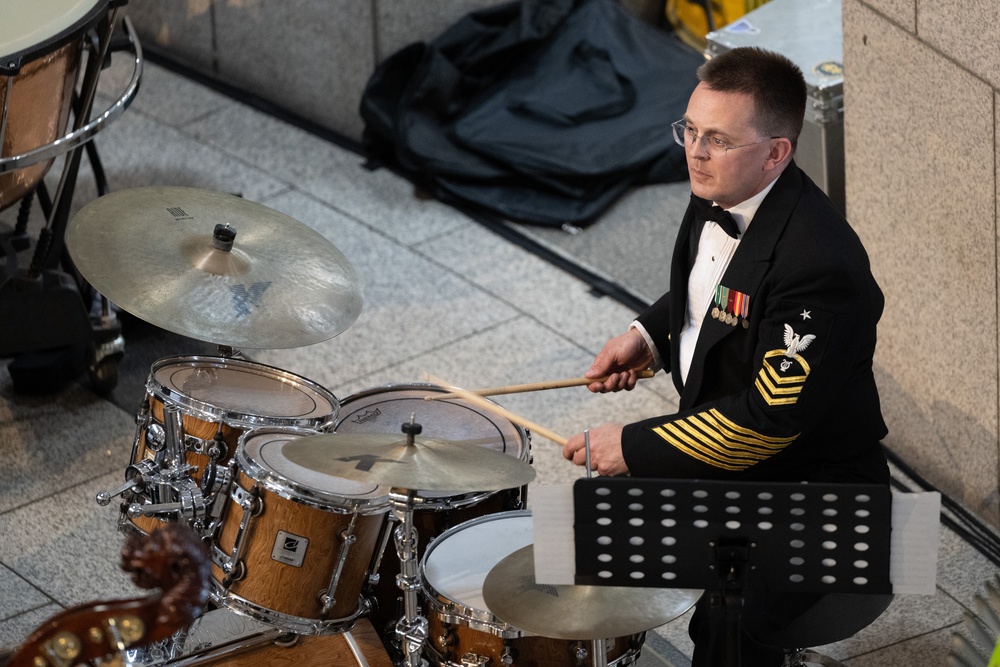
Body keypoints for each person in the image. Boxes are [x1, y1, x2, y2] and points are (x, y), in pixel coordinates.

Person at [562, 46, 890, 665]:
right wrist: (651, 336)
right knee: (584, 549)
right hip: (732, 451)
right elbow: (707, 288)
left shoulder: (820, 266)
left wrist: (630, 446)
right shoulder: (720, 185)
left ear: (775, 152)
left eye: (716, 138)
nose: (694, 151)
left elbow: (766, 424)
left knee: (728, 633)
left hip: (810, 488)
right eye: (689, 130)